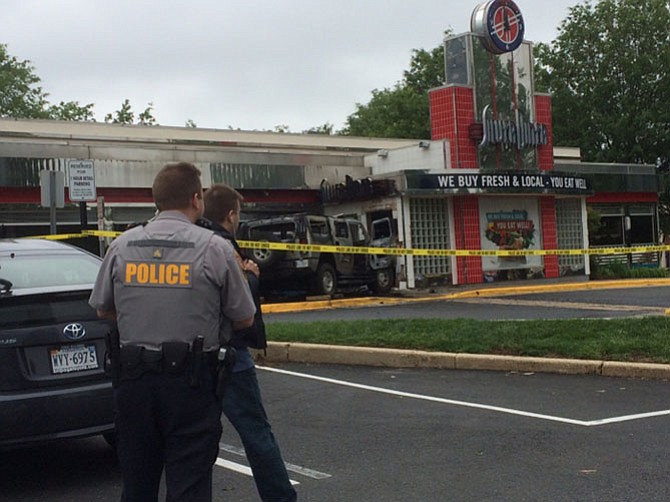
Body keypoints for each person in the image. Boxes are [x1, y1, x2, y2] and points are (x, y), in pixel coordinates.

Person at [89, 162, 256, 501]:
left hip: (134, 383)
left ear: (157, 200)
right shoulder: (214, 248)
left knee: (137, 485)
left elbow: (103, 309)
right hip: (191, 386)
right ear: (197, 200)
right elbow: (244, 318)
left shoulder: (122, 246)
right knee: (189, 485)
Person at [201, 183, 298, 502]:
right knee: (257, 434)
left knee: (196, 436)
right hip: (230, 354)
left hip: (193, 354)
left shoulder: (196, 242)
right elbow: (240, 308)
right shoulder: (225, 246)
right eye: (238, 213)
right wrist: (253, 276)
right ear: (230, 215)